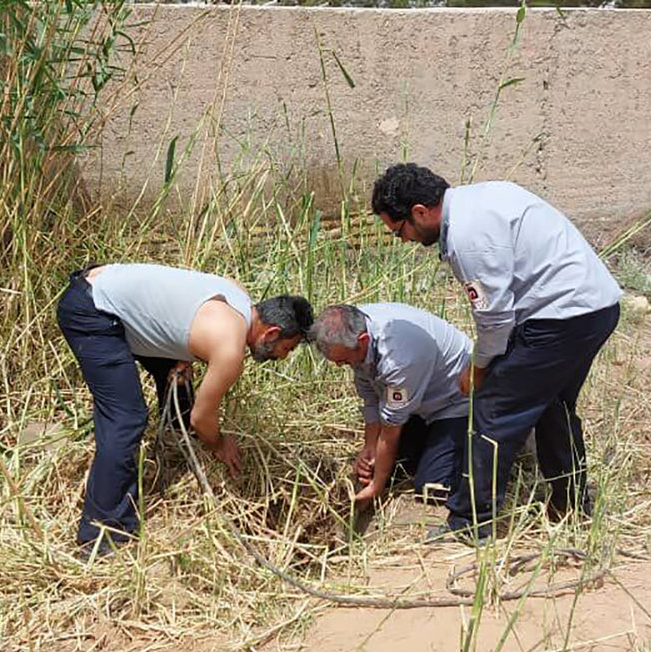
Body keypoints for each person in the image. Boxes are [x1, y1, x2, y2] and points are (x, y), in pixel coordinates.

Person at [371, 163, 622, 542]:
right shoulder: (480, 200)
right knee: (551, 405)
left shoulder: (468, 238)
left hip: (560, 316)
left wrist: (479, 367)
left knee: (492, 411)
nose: (402, 239)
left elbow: (494, 318)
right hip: (592, 308)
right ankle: (570, 506)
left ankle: (470, 522)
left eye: (399, 229)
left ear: (420, 212)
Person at [56, 263, 313, 555]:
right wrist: (218, 443)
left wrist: (183, 351)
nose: (282, 357)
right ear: (271, 333)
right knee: (126, 418)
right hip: (93, 312)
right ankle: (102, 536)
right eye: (287, 349)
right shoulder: (230, 349)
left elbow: (182, 311)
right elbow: (202, 419)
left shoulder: (239, 297)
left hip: (101, 286)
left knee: (177, 378)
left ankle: (175, 450)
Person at [310, 303, 472, 508]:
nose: (340, 366)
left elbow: (391, 430)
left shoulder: (398, 360)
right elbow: (371, 398)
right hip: (417, 401)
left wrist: (377, 487)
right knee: (391, 466)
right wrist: (369, 447)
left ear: (363, 341)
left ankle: (473, 444)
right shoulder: (355, 326)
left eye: (343, 361)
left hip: (454, 401)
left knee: (432, 488)